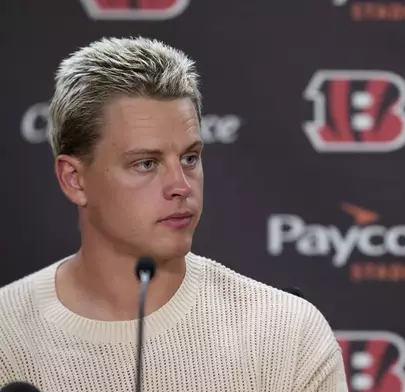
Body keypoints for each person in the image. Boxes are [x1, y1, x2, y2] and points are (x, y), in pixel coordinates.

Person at [0, 37, 348, 392]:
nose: (180, 185)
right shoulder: (5, 336)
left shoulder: (285, 334)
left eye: (189, 158)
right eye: (146, 163)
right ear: (74, 180)